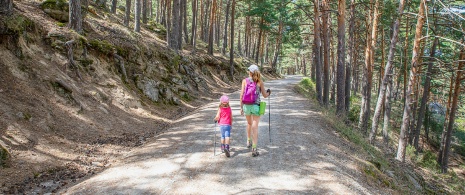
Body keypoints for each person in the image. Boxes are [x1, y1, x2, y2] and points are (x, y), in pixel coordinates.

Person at [240, 64, 271, 157]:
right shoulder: (259, 81)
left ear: (249, 71)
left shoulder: (244, 81)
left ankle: (248, 140)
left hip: (246, 106)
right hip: (256, 106)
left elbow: (241, 95)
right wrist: (269, 92)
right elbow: (265, 95)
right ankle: (254, 148)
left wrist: (241, 107)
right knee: (255, 127)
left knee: (249, 123)